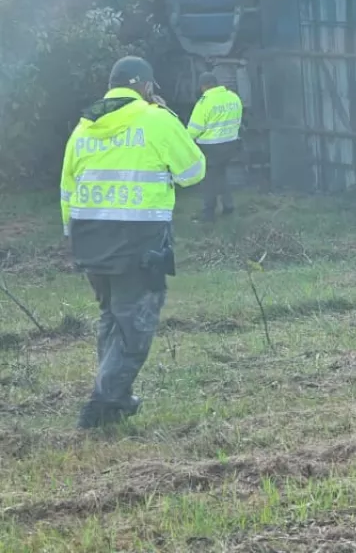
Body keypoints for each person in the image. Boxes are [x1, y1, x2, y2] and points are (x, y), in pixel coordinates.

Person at [60, 57, 206, 428]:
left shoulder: (83, 128)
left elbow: (67, 190)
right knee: (135, 325)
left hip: (90, 242)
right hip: (138, 243)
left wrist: (72, 239)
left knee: (111, 318)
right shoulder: (156, 120)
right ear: (145, 86)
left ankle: (116, 397)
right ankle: (102, 404)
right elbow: (193, 172)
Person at [186, 72, 243, 222]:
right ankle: (228, 206)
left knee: (208, 180)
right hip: (231, 145)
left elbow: (193, 130)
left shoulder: (204, 102)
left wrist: (184, 142)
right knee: (221, 174)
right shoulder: (233, 97)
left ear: (203, 86)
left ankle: (208, 215)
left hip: (211, 148)